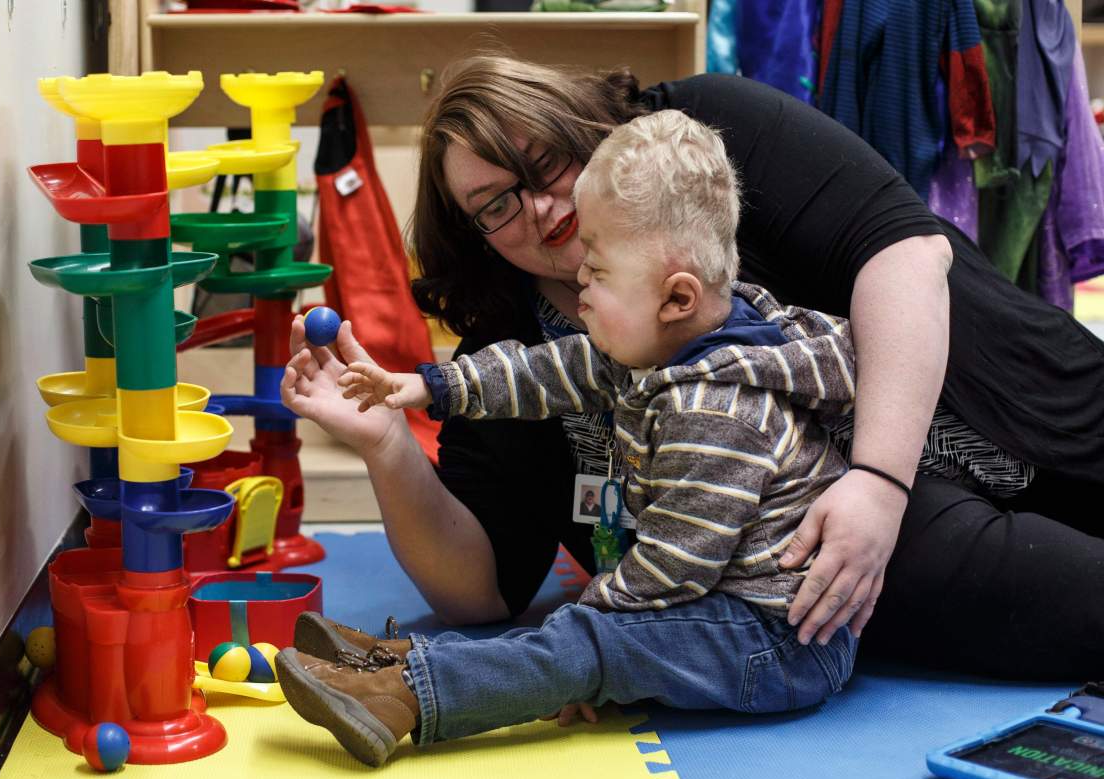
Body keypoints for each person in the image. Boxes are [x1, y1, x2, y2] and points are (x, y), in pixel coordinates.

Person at [281, 55, 1104, 681]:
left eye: (546, 163)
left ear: (586, 130)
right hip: (839, 537)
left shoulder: (698, 142)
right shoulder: (514, 349)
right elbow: (483, 591)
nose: (539, 207)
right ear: (474, 234)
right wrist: (387, 443)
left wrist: (878, 483)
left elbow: (904, 253)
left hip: (1009, 403)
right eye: (496, 204)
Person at [276, 111, 858, 768]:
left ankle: (406, 690)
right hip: (716, 609)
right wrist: (424, 388)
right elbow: (547, 367)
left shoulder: (718, 407)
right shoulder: (667, 344)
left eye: (598, 274)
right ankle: (397, 660)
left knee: (585, 638)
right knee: (584, 640)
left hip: (776, 645)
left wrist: (589, 650)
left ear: (676, 297)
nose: (578, 284)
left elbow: (674, 568)